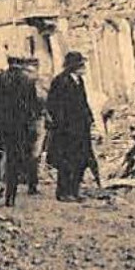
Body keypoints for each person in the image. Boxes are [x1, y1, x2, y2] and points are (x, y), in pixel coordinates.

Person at [0, 55, 43, 207]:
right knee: (14, 160)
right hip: (20, 126)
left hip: (0, 124)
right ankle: (10, 196)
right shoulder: (27, 81)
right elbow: (33, 105)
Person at [45, 51, 95, 202]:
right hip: (66, 130)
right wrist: (61, 125)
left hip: (80, 128)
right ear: (74, 66)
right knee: (66, 161)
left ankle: (75, 191)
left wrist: (90, 118)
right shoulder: (60, 81)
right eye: (81, 64)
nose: (84, 67)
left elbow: (83, 102)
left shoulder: (79, 81)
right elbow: (53, 105)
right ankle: (63, 192)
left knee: (80, 160)